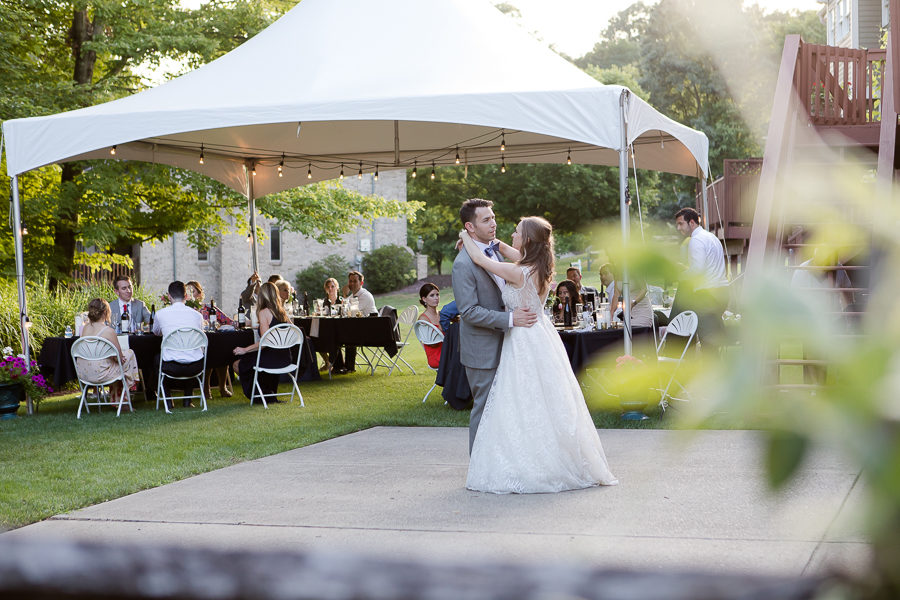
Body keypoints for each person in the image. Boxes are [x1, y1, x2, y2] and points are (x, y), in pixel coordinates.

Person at [458, 215, 618, 494]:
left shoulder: (519, 272)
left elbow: (483, 261)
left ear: (528, 240)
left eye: (517, 232)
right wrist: (489, 241)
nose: (511, 235)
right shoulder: (537, 265)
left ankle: (530, 462)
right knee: (545, 401)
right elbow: (506, 250)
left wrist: (466, 236)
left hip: (523, 339)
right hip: (541, 337)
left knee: (523, 399)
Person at [451, 197, 538, 454]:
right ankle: (478, 465)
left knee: (507, 409)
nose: (494, 224)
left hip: (509, 345)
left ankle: (501, 462)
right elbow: (468, 312)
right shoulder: (463, 264)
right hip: (482, 351)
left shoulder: (494, 250)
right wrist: (511, 319)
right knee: (485, 408)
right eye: (486, 220)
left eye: (494, 217)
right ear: (470, 226)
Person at [673, 207, 729, 354]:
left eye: (681, 224)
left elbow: (698, 270)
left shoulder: (696, 240)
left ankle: (709, 374)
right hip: (722, 292)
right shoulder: (711, 237)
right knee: (712, 342)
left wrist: (679, 276)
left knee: (708, 344)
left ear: (691, 222)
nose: (678, 228)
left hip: (708, 295)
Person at [232, 282, 292, 403]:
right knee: (251, 360)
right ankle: (267, 392)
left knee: (238, 364)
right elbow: (289, 330)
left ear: (261, 296)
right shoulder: (282, 312)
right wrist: (252, 324)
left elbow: (265, 343)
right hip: (285, 357)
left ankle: (261, 395)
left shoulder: (264, 312)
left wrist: (244, 349)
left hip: (271, 358)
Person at [152, 281, 206, 408]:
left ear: (169, 296)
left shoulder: (160, 314)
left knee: (156, 359)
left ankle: (168, 401)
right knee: (190, 353)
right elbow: (200, 337)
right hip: (195, 366)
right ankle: (188, 400)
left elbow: (156, 332)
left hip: (171, 366)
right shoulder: (197, 316)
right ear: (186, 296)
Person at [76, 298, 139, 404]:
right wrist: (116, 357)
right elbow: (119, 357)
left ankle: (117, 397)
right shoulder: (109, 331)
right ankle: (122, 397)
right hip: (102, 374)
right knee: (129, 354)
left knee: (113, 362)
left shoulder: (85, 328)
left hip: (84, 373)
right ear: (105, 312)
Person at [184, 280, 234, 398]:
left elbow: (229, 322)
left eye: (193, 291)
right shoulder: (185, 311)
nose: (190, 294)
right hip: (193, 345)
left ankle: (223, 387)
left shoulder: (209, 309)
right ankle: (206, 390)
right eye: (188, 291)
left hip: (213, 342)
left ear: (200, 294)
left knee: (221, 353)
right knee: (208, 355)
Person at [343, 270, 377, 373]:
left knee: (349, 334)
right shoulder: (353, 295)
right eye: (350, 281)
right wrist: (345, 298)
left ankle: (349, 367)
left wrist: (344, 295)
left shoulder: (364, 295)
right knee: (337, 332)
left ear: (361, 283)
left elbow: (352, 312)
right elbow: (344, 311)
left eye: (355, 281)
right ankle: (338, 365)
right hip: (359, 327)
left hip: (373, 330)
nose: (352, 284)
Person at [417, 283, 443, 369]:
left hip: (447, 351)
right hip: (437, 356)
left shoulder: (442, 314)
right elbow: (433, 345)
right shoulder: (423, 319)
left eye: (437, 295)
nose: (436, 298)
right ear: (424, 299)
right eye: (432, 295)